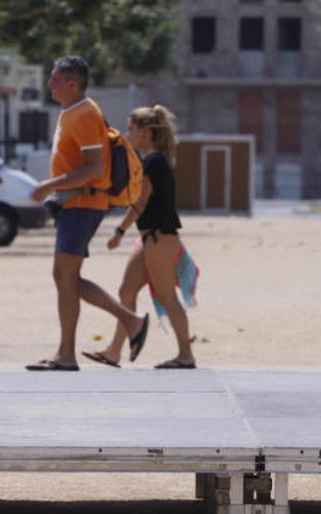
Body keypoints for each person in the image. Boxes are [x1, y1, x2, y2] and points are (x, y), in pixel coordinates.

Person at [26, 55, 148, 371]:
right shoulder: (71, 112)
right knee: (65, 276)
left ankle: (68, 354)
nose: (49, 83)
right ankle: (129, 323)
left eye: (55, 79)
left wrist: (48, 185)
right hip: (74, 204)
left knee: (65, 275)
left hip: (85, 203)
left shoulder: (84, 115)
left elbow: (94, 169)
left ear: (72, 83)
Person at [83, 105, 195, 369]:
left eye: (131, 129)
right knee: (127, 290)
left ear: (144, 133)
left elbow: (141, 202)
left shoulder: (153, 162)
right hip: (149, 240)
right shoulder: (151, 160)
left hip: (160, 239)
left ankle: (186, 355)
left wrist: (119, 231)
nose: (127, 133)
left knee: (168, 297)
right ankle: (113, 352)